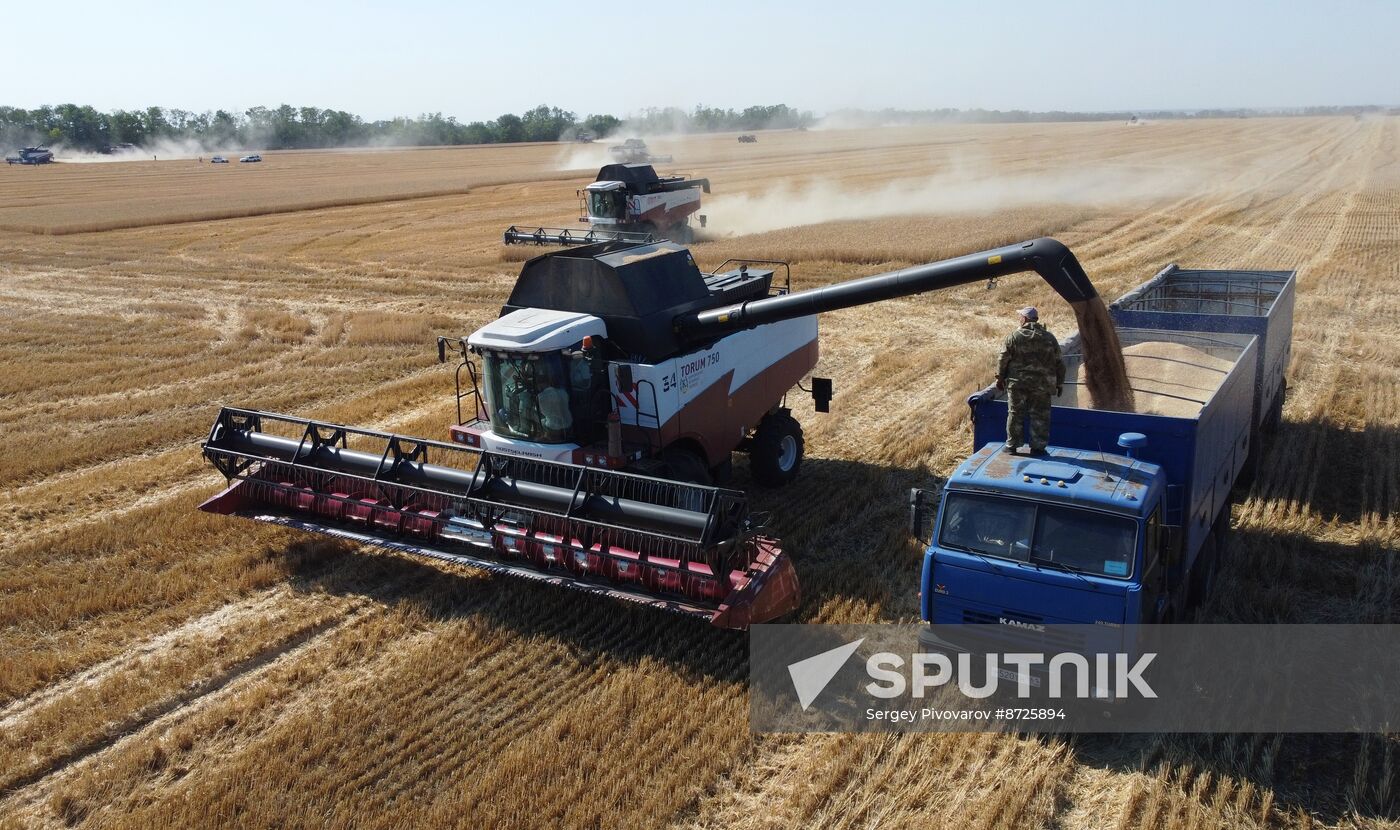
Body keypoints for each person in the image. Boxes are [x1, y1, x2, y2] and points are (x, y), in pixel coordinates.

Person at [996, 306, 1065, 455]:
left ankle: (1012, 446)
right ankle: (1038, 448)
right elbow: (1059, 362)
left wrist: (1000, 378)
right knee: (1040, 415)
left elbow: (1003, 359)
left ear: (1025, 319)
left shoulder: (1014, 336)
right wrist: (1059, 383)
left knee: (1015, 413)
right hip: (1042, 386)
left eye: (1020, 316)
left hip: (1017, 384)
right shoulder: (1049, 338)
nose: (1019, 319)